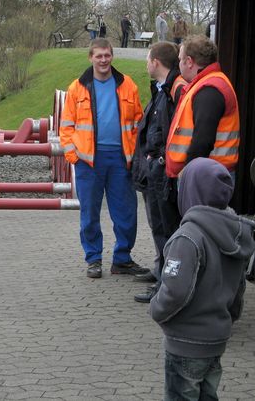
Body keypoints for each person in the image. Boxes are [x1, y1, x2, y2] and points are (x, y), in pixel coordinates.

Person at [150, 157, 255, 401]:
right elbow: (238, 290)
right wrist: (228, 317)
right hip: (216, 338)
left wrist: (156, 309)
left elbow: (175, 290)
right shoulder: (234, 235)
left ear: (190, 192)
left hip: (185, 340)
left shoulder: (187, 237)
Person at [60, 38, 148, 279]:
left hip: (121, 159)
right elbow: (66, 127)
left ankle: (122, 259)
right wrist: (73, 155)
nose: (103, 60)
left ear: (112, 56)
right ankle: (93, 259)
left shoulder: (127, 85)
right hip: (88, 161)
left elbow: (139, 122)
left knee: (126, 211)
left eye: (107, 55)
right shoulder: (76, 88)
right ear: (90, 58)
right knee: (89, 213)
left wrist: (136, 155)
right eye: (98, 56)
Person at [131, 42, 186, 303]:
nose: (146, 64)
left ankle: (167, 287)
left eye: (147, 59)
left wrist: (159, 160)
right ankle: (163, 280)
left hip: (163, 170)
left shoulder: (174, 91)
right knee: (160, 228)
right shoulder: (164, 90)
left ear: (155, 62)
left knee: (166, 229)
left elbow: (169, 131)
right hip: (156, 168)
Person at [166, 35, 240, 182]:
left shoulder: (210, 89)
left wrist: (187, 173)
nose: (179, 65)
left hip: (205, 178)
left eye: (180, 60)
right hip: (207, 174)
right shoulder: (208, 83)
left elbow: (203, 141)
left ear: (189, 62)